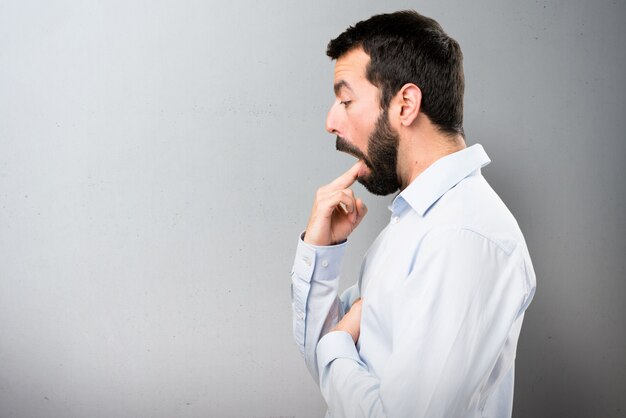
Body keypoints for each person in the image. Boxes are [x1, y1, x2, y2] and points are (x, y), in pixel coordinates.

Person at [290, 10, 536, 418]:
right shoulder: (412, 226)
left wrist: (335, 344)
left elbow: (339, 359)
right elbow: (333, 374)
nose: (331, 121)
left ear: (405, 104)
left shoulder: (463, 237)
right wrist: (320, 252)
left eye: (346, 100)